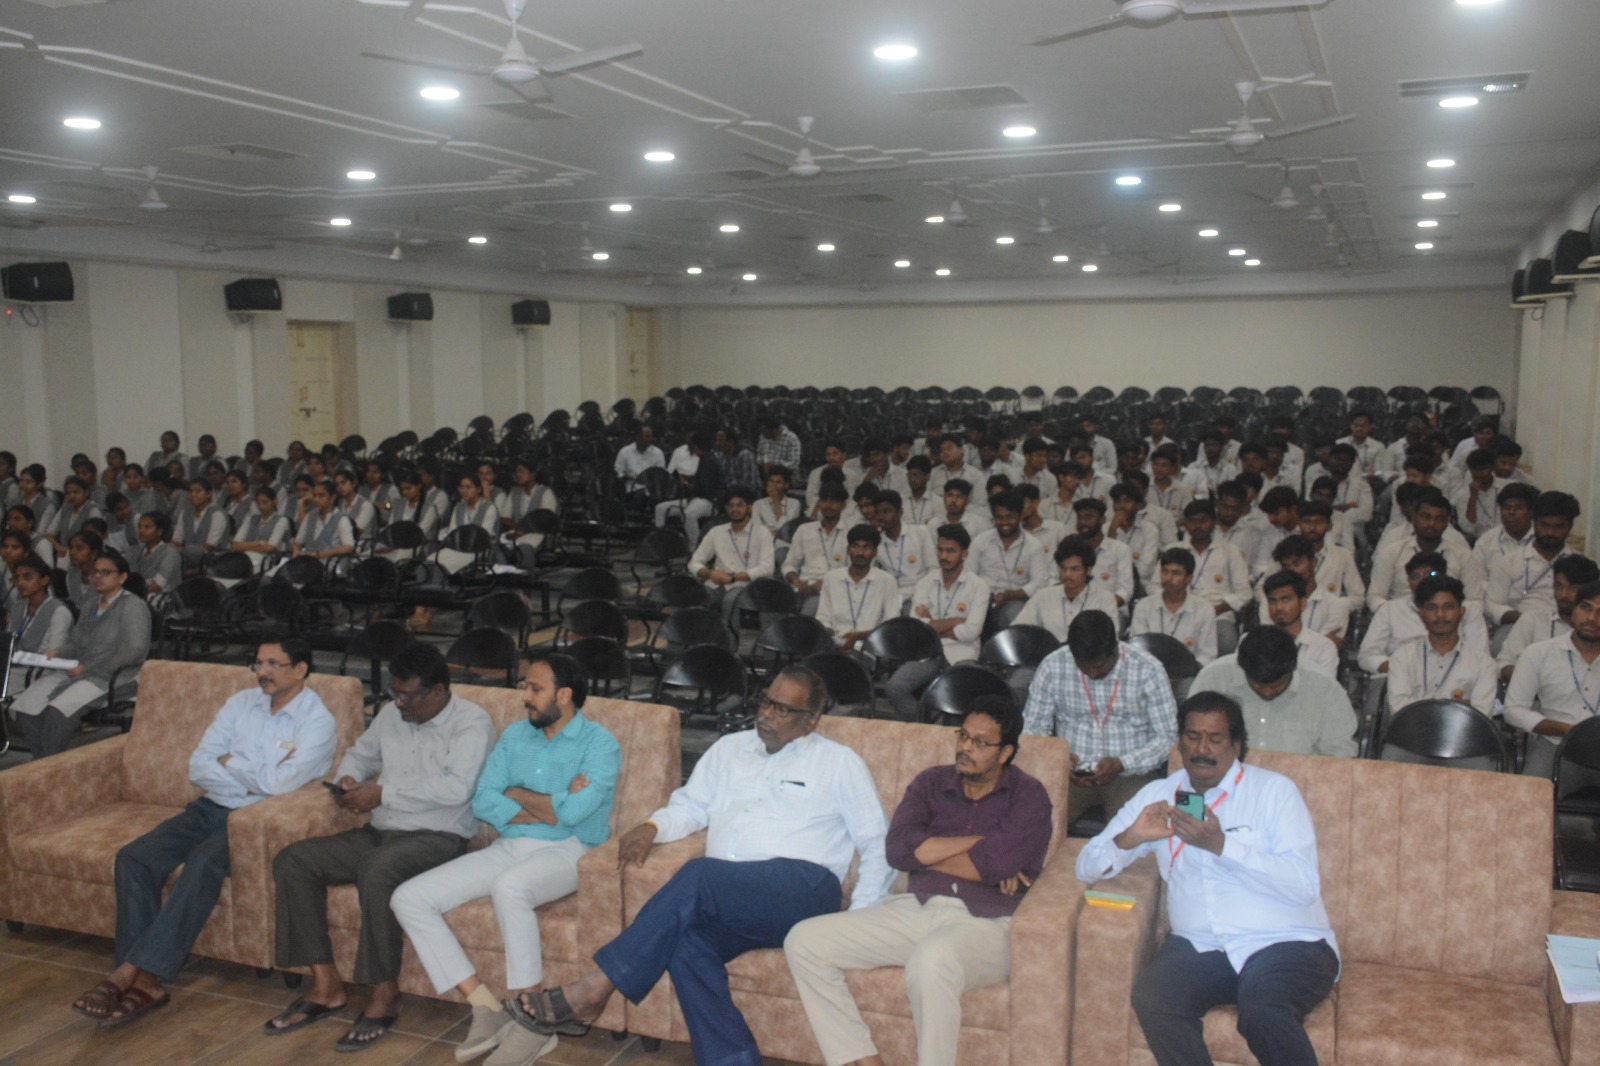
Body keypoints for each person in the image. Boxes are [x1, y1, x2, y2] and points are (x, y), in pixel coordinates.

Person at [500, 665, 892, 1066]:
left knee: (699, 874)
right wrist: (653, 827)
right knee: (686, 944)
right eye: (765, 701)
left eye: (782, 709)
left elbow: (877, 842)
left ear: (811, 721)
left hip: (803, 890)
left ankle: (593, 989)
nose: (766, 714)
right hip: (733, 897)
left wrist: (857, 922)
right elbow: (691, 806)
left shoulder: (838, 762)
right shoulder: (729, 749)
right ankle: (732, 1061)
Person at [67, 639, 337, 1025]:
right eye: (258, 663)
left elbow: (280, 786)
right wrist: (253, 774)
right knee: (135, 858)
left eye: (274, 664)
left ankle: (129, 974)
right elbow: (198, 765)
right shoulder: (240, 704)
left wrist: (231, 763)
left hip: (252, 822)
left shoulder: (317, 721)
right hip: (209, 807)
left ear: (301, 669)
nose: (263, 672)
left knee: (203, 862)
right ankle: (145, 981)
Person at [784, 696, 1053, 1066]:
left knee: (932, 961)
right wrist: (980, 845)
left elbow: (996, 863)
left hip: (989, 923)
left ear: (1005, 752)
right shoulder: (930, 783)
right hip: (917, 909)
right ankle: (860, 1060)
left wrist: (933, 853)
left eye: (980, 742)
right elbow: (898, 851)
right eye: (963, 736)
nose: (965, 747)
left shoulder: (1030, 796)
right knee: (804, 941)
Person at [1079, 691, 1339, 1066]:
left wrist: (1222, 846)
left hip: (1285, 942)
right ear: (1179, 742)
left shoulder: (1274, 791)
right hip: (1202, 947)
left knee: (1263, 1011)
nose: (1202, 749)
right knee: (1155, 997)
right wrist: (1133, 836)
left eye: (1215, 739)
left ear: (1236, 745)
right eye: (1192, 736)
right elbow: (1086, 865)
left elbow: (1303, 886)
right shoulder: (1159, 795)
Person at [391, 653, 621, 1066]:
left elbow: (574, 816)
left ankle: (533, 1021)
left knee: (510, 887)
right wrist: (548, 803)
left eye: (535, 689)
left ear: (564, 696)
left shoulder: (599, 744)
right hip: (510, 846)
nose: (525, 697)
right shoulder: (516, 736)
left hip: (572, 850)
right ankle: (485, 1006)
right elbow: (483, 800)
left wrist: (515, 794)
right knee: (409, 898)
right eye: (525, 687)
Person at [266, 642, 496, 1050]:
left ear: (438, 691)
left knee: (378, 870)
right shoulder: (392, 714)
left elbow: (456, 789)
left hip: (438, 838)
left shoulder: (471, 723)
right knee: (294, 860)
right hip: (381, 832)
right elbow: (361, 754)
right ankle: (326, 986)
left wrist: (383, 794)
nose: (399, 703)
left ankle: (385, 993)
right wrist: (349, 780)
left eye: (409, 696)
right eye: (395, 693)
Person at [1022, 611, 1178, 826]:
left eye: (1100, 667)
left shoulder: (1148, 669)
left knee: (1138, 829)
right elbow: (1033, 730)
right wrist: (1058, 760)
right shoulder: (1052, 666)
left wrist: (1123, 763)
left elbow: (1167, 737)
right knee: (1032, 822)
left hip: (1129, 773)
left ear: (1115, 650)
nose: (1093, 675)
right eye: (1084, 668)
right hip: (1068, 772)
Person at [8, 550, 152, 759]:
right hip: (77, 670)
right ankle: (44, 761)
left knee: (57, 713)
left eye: (106, 572)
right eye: (95, 572)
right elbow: (75, 643)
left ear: (122, 577)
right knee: (25, 708)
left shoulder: (133, 606)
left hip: (114, 676)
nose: (98, 577)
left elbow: (134, 650)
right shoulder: (91, 604)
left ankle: (48, 765)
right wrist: (57, 653)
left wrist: (87, 668)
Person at [1190, 628, 1357, 758]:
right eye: (1259, 685)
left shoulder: (1325, 689)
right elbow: (1189, 740)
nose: (1268, 692)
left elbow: (1339, 757)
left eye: (1277, 685)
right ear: (1243, 669)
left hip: (1301, 783)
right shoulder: (1213, 678)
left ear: (1293, 668)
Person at [888, 525, 991, 720]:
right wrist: (954, 621)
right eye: (940, 550)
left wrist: (932, 623)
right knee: (895, 687)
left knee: (959, 697)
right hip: (928, 652)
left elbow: (971, 631)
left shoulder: (979, 586)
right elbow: (917, 626)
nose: (943, 556)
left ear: (964, 554)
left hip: (962, 653)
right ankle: (924, 724)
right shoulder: (925, 582)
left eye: (951, 551)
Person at [1503, 580, 1600, 778]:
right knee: (1529, 792)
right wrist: (1560, 728)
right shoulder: (1539, 653)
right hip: (1555, 743)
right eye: (1585, 608)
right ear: (1573, 612)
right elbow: (1512, 709)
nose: (1592, 618)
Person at [1357, 553, 1491, 677]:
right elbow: (1367, 655)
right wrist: (1399, 667)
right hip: (1400, 675)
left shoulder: (1468, 610)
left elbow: (1479, 656)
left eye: (1429, 574)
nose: (1421, 580)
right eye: (1414, 576)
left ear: (1443, 576)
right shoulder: (1390, 610)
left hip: (1456, 676)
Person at [1384, 575, 1499, 717]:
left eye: (1448, 607)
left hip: (1461, 731)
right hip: (1412, 730)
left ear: (1461, 612)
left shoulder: (1483, 664)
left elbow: (1480, 716)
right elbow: (1399, 709)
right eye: (1432, 608)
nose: (1440, 615)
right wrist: (1458, 707)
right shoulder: (1402, 657)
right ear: (1421, 614)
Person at [1485, 490, 1581, 630]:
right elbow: (1492, 605)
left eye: (1558, 527)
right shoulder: (1507, 562)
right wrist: (1527, 621)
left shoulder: (1581, 564)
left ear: (1570, 527)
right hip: (1517, 627)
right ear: (1533, 523)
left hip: (1567, 629)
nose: (1550, 532)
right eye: (1544, 525)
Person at [1499, 554, 1599, 679]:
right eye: (1558, 586)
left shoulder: (1594, 627)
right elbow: (1504, 664)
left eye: (1573, 589)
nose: (1563, 595)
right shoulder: (1533, 619)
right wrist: (1535, 680)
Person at [689, 485, 777, 625]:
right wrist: (710, 573)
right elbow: (694, 562)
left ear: (750, 507)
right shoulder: (716, 531)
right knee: (691, 598)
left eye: (740, 505)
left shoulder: (762, 532)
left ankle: (727, 637)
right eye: (730, 506)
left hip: (747, 586)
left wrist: (733, 578)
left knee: (730, 600)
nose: (734, 509)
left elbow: (767, 568)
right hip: (716, 585)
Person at [970, 490, 1053, 629]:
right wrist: (983, 595)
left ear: (1020, 516)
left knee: (1015, 614)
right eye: (999, 517)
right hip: (980, 599)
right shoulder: (981, 541)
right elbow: (968, 574)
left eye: (1010, 517)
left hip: (1014, 601)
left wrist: (1012, 595)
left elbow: (1040, 583)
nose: (1004, 522)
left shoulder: (1033, 546)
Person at [1016, 535, 1121, 642]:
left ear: (1088, 570)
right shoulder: (1043, 596)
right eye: (1063, 568)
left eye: (1074, 569)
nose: (1067, 574)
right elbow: (1017, 631)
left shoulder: (1105, 599)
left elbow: (1111, 641)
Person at [816, 524, 901, 652]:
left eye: (867, 547)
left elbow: (891, 626)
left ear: (875, 552)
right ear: (848, 549)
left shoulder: (887, 581)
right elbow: (823, 618)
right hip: (835, 647)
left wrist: (857, 637)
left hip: (871, 648)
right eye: (855, 546)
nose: (860, 553)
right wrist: (832, 639)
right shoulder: (831, 578)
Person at [1130, 547, 1220, 666]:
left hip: (1189, 672)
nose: (1168, 578)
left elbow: (1207, 655)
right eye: (1165, 572)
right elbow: (1138, 650)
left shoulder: (1204, 609)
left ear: (1189, 578)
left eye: (1176, 573)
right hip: (1150, 670)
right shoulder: (1144, 607)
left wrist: (1189, 671)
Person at [786, 484, 851, 617]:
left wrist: (823, 584)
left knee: (813, 606)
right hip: (803, 588)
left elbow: (852, 570)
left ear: (843, 505)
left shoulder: (850, 533)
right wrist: (795, 580)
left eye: (834, 501)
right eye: (824, 501)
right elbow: (789, 564)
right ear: (819, 504)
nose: (828, 505)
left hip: (835, 590)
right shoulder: (804, 530)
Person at [1261, 572, 1339, 679]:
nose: (1278, 607)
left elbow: (1324, 688)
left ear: (1303, 603)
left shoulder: (1323, 648)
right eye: (1272, 601)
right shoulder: (1251, 642)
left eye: (1286, 599)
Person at [872, 488, 934, 603]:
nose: (881, 517)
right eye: (877, 512)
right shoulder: (876, 541)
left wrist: (924, 596)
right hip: (892, 597)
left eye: (886, 511)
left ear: (900, 512)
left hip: (920, 595)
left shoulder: (920, 533)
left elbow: (933, 569)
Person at [1073, 497, 1135, 608]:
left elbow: (1125, 591)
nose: (1083, 522)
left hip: (1110, 609)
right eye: (1080, 517)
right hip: (1074, 608)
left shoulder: (1120, 549)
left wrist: (1102, 609)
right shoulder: (1070, 548)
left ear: (1102, 519)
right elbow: (1055, 580)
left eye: (1088, 517)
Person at [614, 426, 666, 496]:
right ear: (638, 437)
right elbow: (618, 472)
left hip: (652, 491)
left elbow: (661, 473)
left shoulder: (658, 453)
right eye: (647, 437)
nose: (650, 439)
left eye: (651, 436)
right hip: (632, 491)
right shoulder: (624, 452)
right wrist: (626, 477)